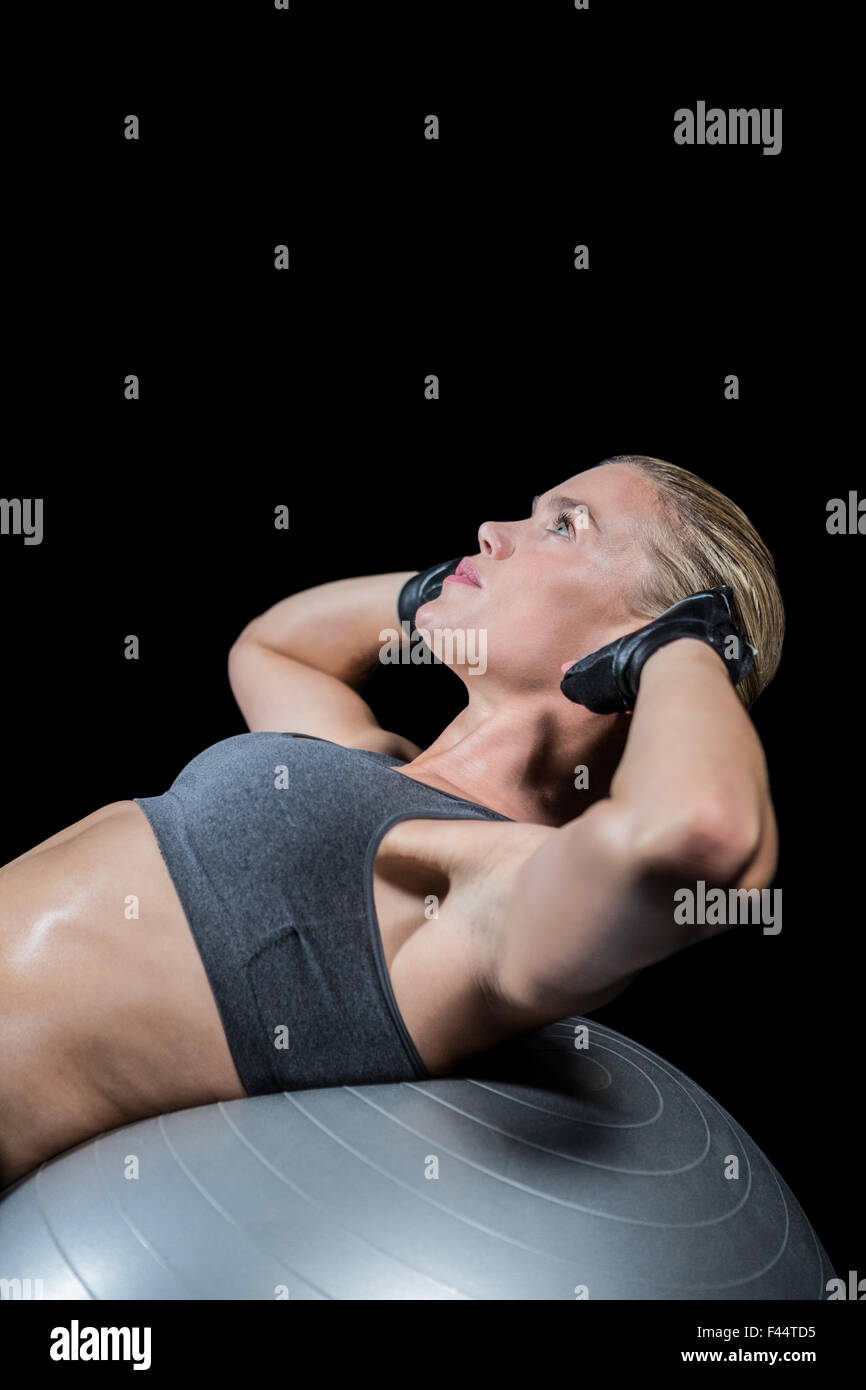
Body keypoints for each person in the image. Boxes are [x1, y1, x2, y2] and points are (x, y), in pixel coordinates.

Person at [0, 455, 783, 1189]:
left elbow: (702, 834)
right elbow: (272, 648)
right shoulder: (372, 760)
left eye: (563, 526)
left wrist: (685, 656)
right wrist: (435, 590)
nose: (491, 532)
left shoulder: (488, 887)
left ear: (640, 636)